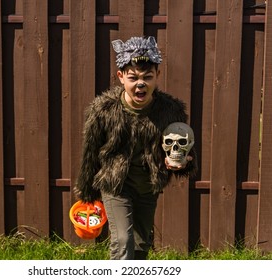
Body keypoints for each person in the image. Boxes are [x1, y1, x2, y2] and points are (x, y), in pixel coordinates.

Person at [73, 36, 197, 260]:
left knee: (141, 244)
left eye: (147, 77)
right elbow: (89, 154)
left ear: (157, 76)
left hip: (148, 186)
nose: (140, 84)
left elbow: (185, 150)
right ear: (121, 77)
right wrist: (87, 193)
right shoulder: (103, 110)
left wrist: (179, 164)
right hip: (116, 184)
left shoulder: (171, 111)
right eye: (133, 78)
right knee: (122, 240)